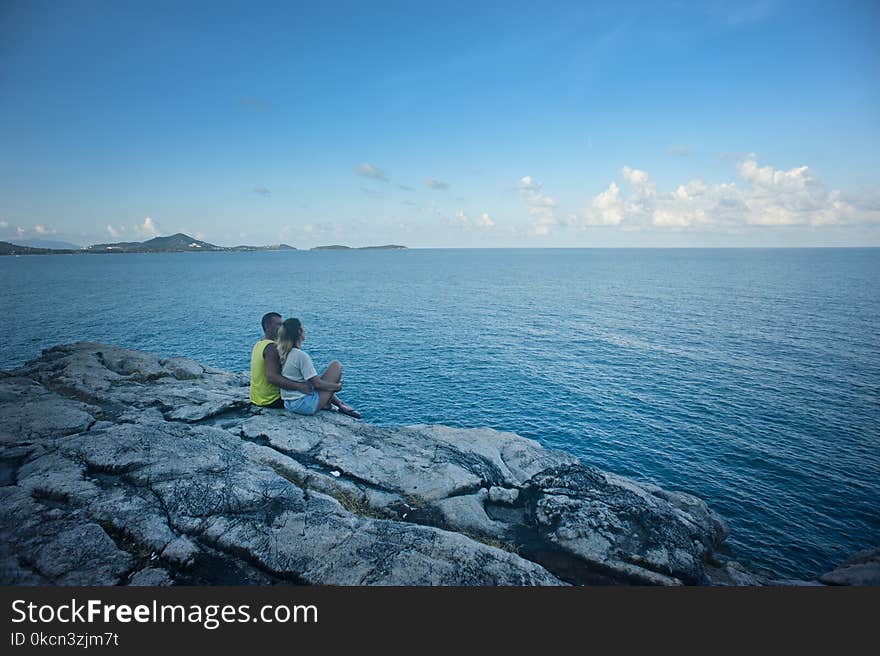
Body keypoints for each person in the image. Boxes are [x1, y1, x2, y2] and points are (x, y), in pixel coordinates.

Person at [276, 317, 361, 418]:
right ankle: (331, 404)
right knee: (336, 366)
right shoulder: (301, 356)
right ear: (299, 331)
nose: (305, 330)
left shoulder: (285, 353)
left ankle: (339, 404)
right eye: (303, 327)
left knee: (318, 381)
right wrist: (337, 387)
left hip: (289, 404)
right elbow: (317, 384)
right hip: (304, 405)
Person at [249, 312, 313, 408]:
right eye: (279, 324)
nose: (283, 328)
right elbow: (272, 377)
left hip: (257, 398)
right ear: (267, 326)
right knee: (315, 388)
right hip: (271, 400)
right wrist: (299, 386)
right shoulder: (272, 348)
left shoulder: (259, 344)